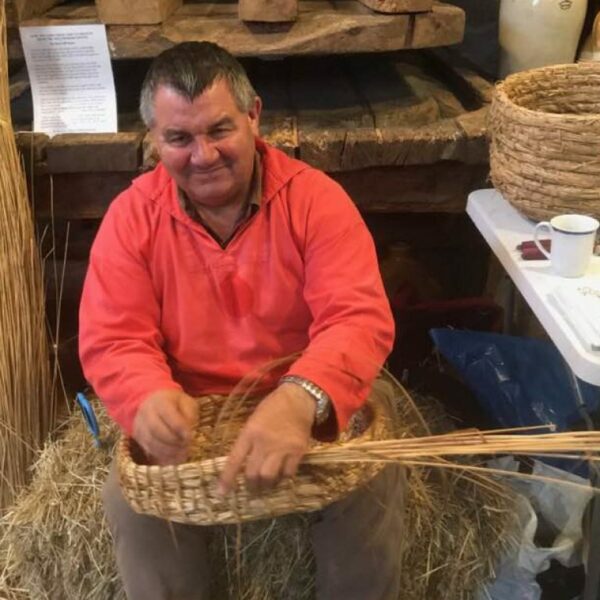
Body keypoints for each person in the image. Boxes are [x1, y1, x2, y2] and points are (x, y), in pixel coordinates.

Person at [79, 41, 404, 600]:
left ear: (254, 116)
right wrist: (147, 396)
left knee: (371, 474)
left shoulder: (316, 200)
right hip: (192, 403)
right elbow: (114, 336)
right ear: (154, 137)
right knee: (130, 501)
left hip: (305, 387)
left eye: (219, 130)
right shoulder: (131, 217)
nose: (202, 156)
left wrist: (302, 397)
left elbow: (356, 316)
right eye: (179, 138)